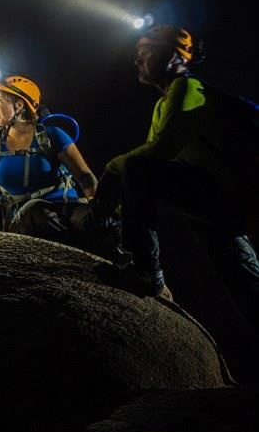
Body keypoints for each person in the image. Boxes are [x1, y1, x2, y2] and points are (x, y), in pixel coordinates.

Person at [95, 25, 259, 320]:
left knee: (136, 167)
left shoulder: (187, 88)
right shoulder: (164, 103)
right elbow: (148, 163)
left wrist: (109, 172)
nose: (137, 60)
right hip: (219, 209)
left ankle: (146, 270)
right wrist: (116, 205)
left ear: (171, 56)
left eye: (145, 52)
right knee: (246, 288)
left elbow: (158, 152)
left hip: (227, 197)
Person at [0, 75, 98, 243]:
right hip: (25, 220)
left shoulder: (52, 135)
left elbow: (85, 177)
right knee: (36, 215)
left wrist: (97, 210)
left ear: (19, 105)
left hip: (62, 210)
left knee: (96, 224)